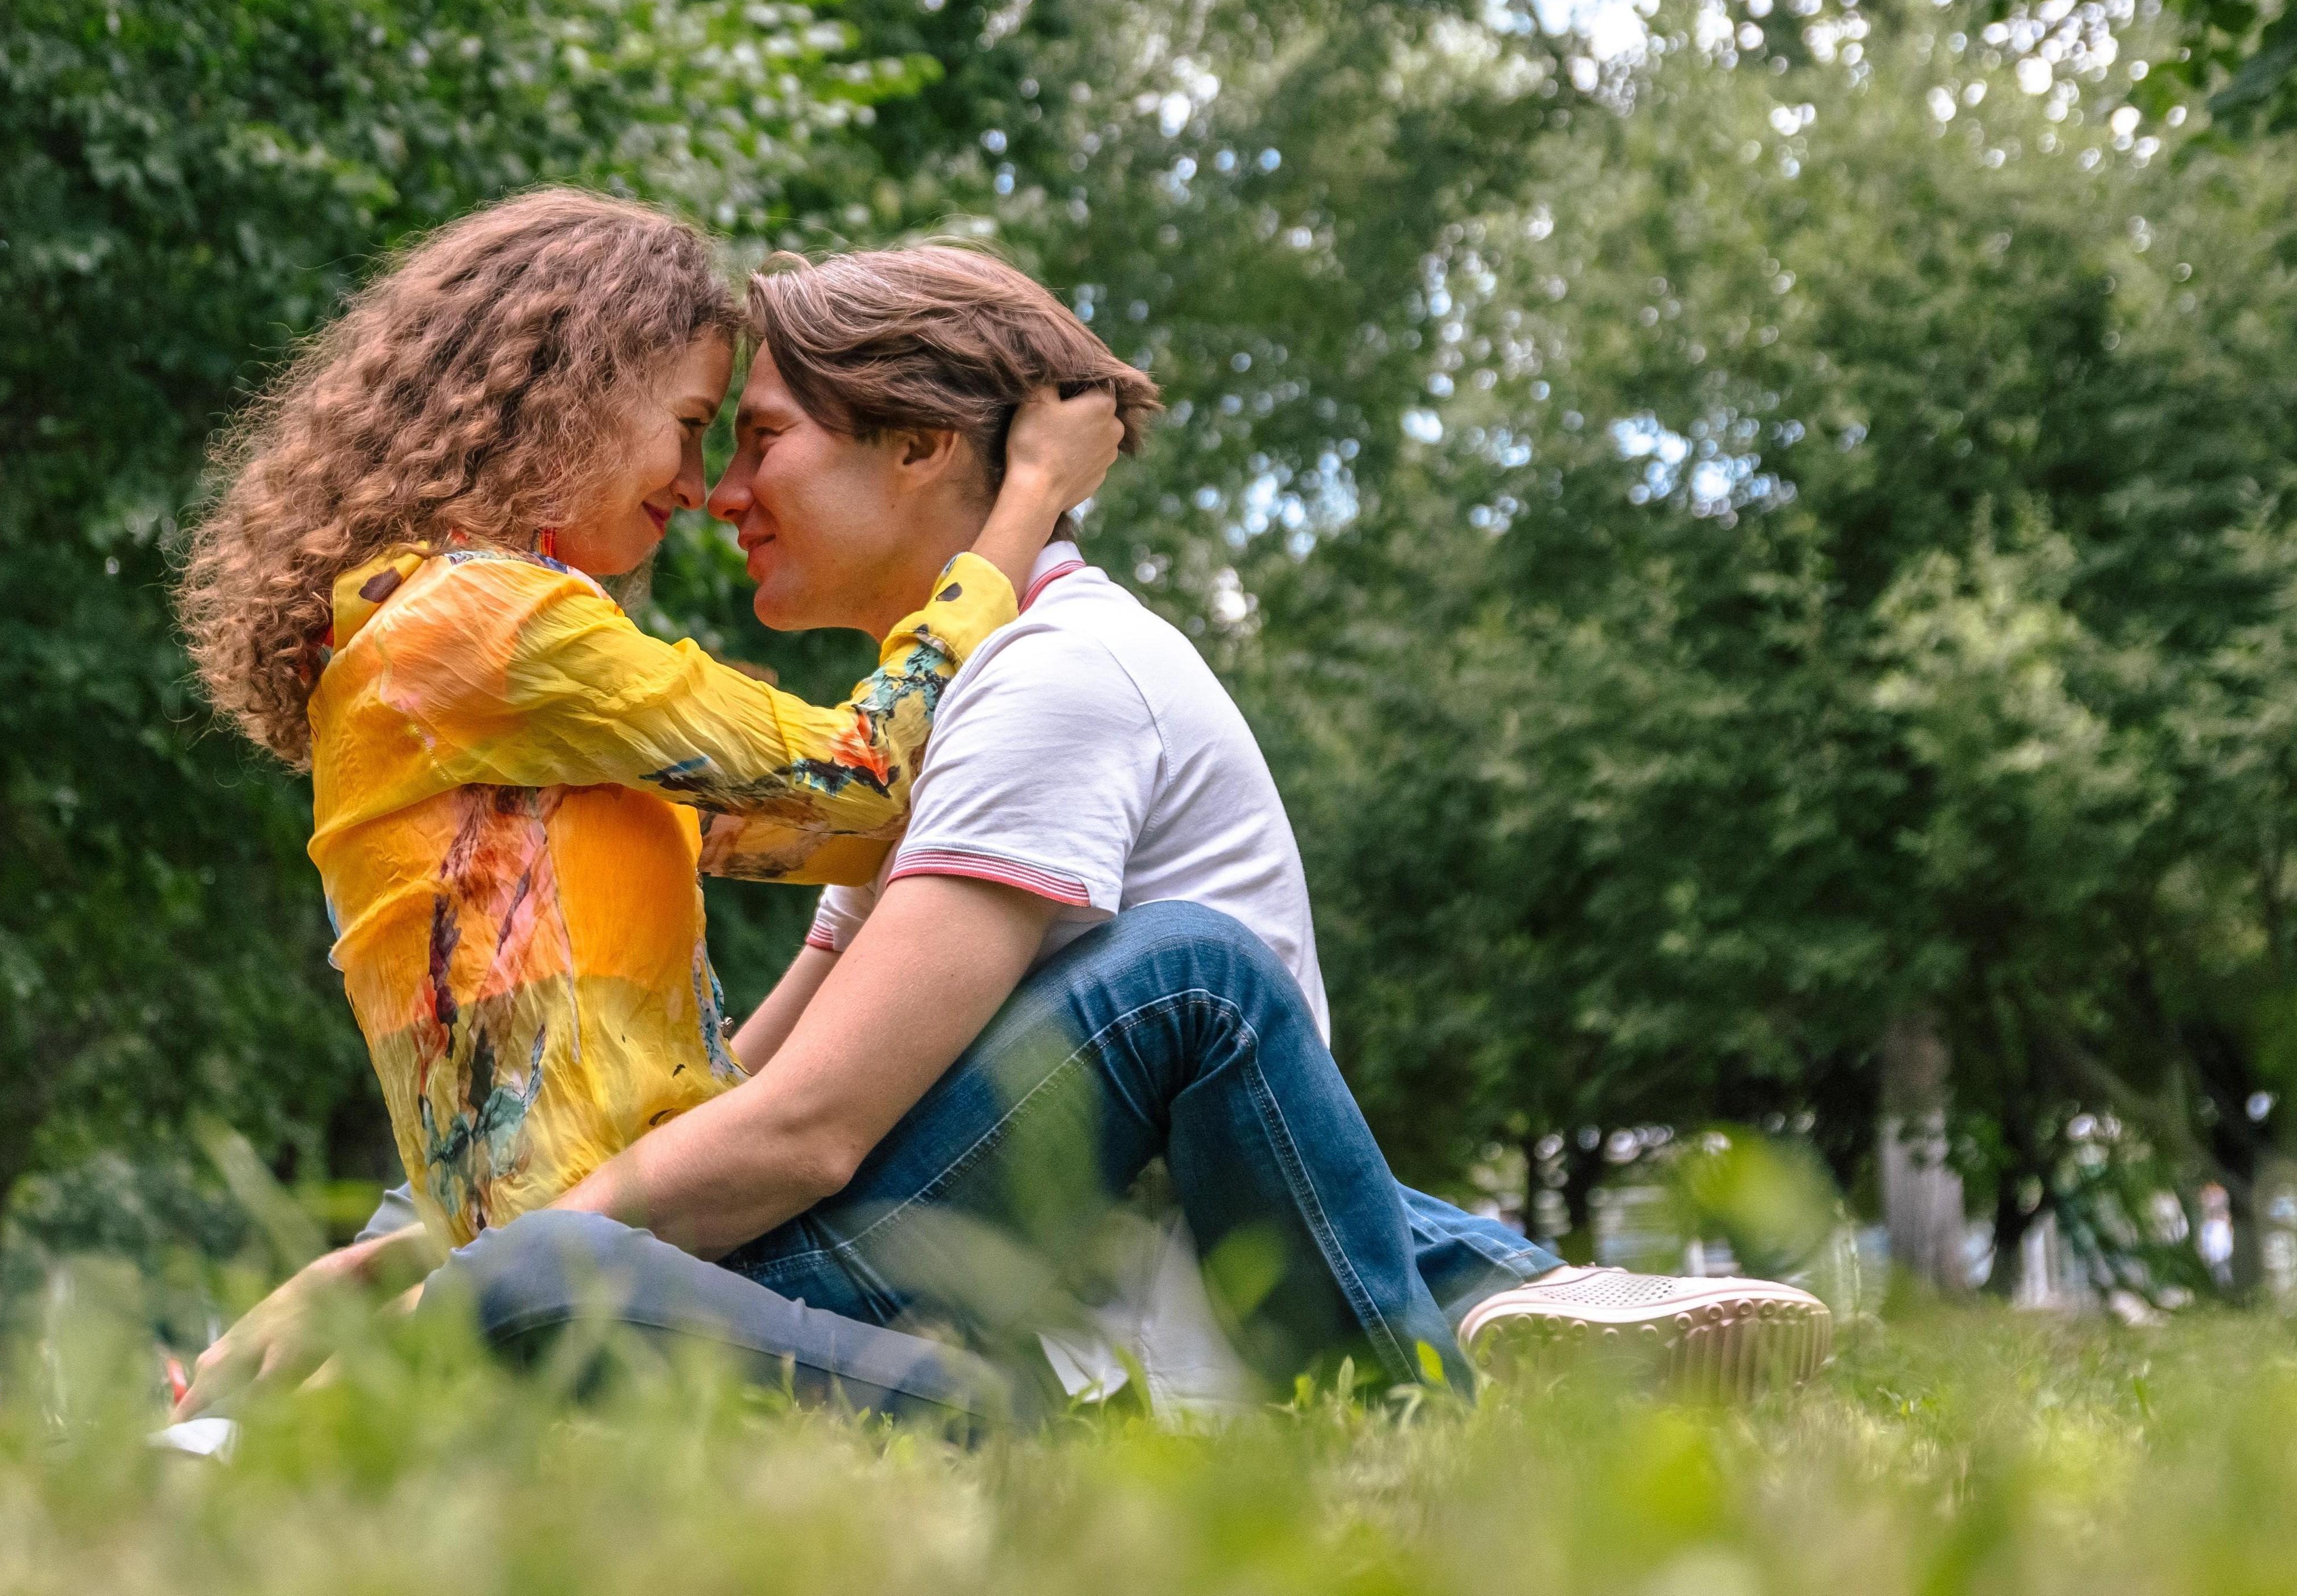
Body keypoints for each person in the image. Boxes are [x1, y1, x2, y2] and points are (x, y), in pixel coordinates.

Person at [399, 244, 1835, 1415]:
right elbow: (756, 1078)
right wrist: (438, 1237)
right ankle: (1516, 1291)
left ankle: (1432, 1371)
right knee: (493, 1254)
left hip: (1061, 1295)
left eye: (762, 439)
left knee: (1183, 975)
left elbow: (811, 1127)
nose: (722, 494)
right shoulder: (965, 709)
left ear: (920, 445)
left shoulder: (1060, 679)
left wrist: (522, 1248)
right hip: (969, 1243)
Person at [171, 193, 1125, 1417]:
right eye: (687, 428)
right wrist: (1023, 504)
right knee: (980, 1403)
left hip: (596, 1254)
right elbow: (857, 781)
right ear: (574, 392)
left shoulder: (458, 668)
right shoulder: (486, 624)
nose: (695, 485)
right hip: (611, 1278)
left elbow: (839, 835)